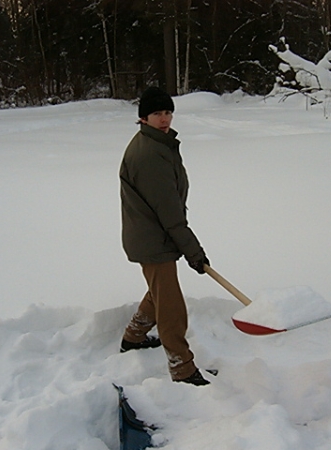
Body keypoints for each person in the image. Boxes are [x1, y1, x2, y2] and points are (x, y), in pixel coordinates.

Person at [119, 86, 210, 386]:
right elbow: (169, 211)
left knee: (160, 290)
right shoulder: (150, 155)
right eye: (157, 113)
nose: (164, 118)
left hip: (152, 233)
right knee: (171, 306)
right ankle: (182, 368)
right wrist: (193, 251)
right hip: (153, 237)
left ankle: (134, 336)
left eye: (168, 112)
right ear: (143, 118)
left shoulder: (159, 144)